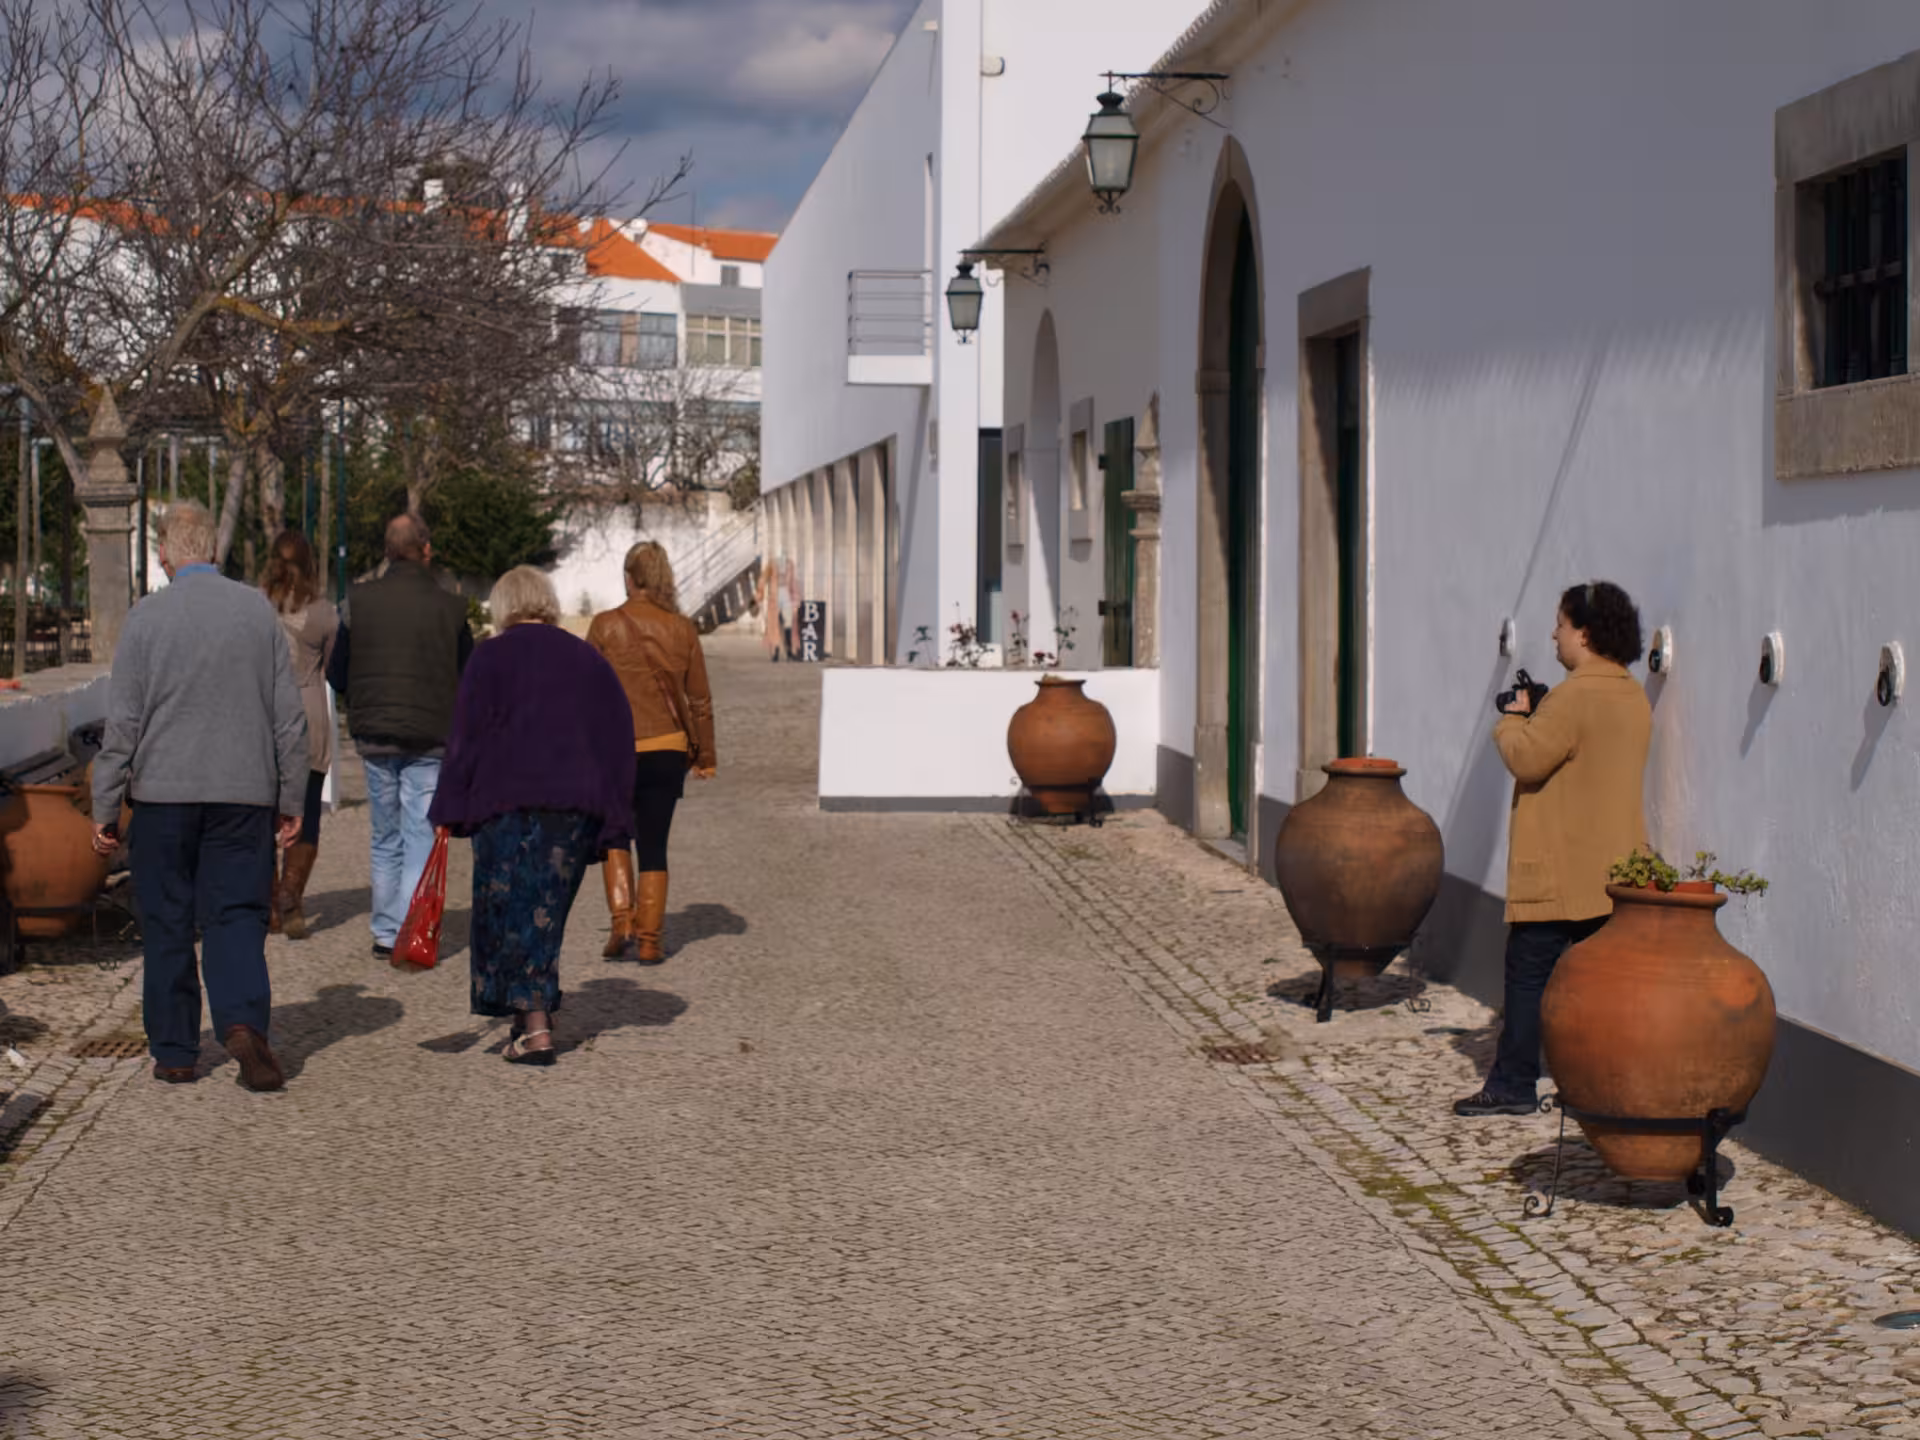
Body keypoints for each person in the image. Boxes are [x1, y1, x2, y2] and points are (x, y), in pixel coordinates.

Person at [90, 501, 307, 1091]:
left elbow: (124, 726)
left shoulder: (145, 619)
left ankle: (175, 1052)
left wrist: (105, 808)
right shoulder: (256, 613)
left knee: (166, 921)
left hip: (163, 796)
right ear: (214, 551)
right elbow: (288, 718)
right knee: (235, 914)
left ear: (164, 555)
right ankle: (241, 1023)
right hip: (243, 796)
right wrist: (292, 800)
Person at [1454, 580, 1652, 1118]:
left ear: (1583, 633)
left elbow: (1528, 758)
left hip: (1559, 872)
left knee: (1527, 979)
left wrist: (1515, 717)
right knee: (1597, 988)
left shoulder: (1573, 695)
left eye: (1560, 625)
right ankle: (1597, 1083)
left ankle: (1514, 1083)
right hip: (1613, 871)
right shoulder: (1631, 694)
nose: (1553, 634)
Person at [429, 567, 635, 1064]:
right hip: (572, 808)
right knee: (542, 912)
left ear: (503, 607)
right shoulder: (586, 659)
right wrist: (614, 821)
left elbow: (466, 739)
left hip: (505, 804)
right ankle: (529, 1014)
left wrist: (448, 807)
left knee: (507, 912)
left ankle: (536, 1026)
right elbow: (616, 737)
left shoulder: (489, 658)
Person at [327, 513, 472, 961]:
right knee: (419, 833)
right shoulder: (451, 607)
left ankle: (387, 932)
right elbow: (468, 674)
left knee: (385, 836)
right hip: (430, 735)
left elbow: (336, 671)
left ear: (387, 551)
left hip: (374, 735)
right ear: (425, 549)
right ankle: (414, 930)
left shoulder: (358, 600)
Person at [586, 541, 717, 964]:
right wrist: (706, 756)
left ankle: (622, 920)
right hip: (666, 748)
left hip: (616, 749)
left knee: (614, 835)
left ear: (628, 577)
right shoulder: (682, 628)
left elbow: (583, 690)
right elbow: (699, 700)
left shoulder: (605, 625)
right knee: (655, 844)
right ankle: (650, 940)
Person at [261, 529, 338, 940]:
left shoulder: (256, 608)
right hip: (307, 712)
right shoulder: (324, 613)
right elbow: (329, 667)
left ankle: (270, 902)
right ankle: (291, 896)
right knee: (305, 810)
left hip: (264, 714)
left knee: (263, 812)